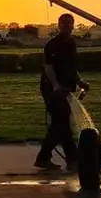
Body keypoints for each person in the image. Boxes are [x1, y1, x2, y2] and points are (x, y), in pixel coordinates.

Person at [35, 13, 89, 170]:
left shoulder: (71, 43)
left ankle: (61, 159)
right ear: (59, 25)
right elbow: (48, 67)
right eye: (64, 23)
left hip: (66, 89)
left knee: (62, 124)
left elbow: (71, 67)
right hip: (52, 90)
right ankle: (65, 159)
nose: (67, 25)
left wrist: (79, 82)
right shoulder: (52, 44)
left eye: (69, 23)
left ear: (73, 25)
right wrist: (55, 85)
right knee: (60, 123)